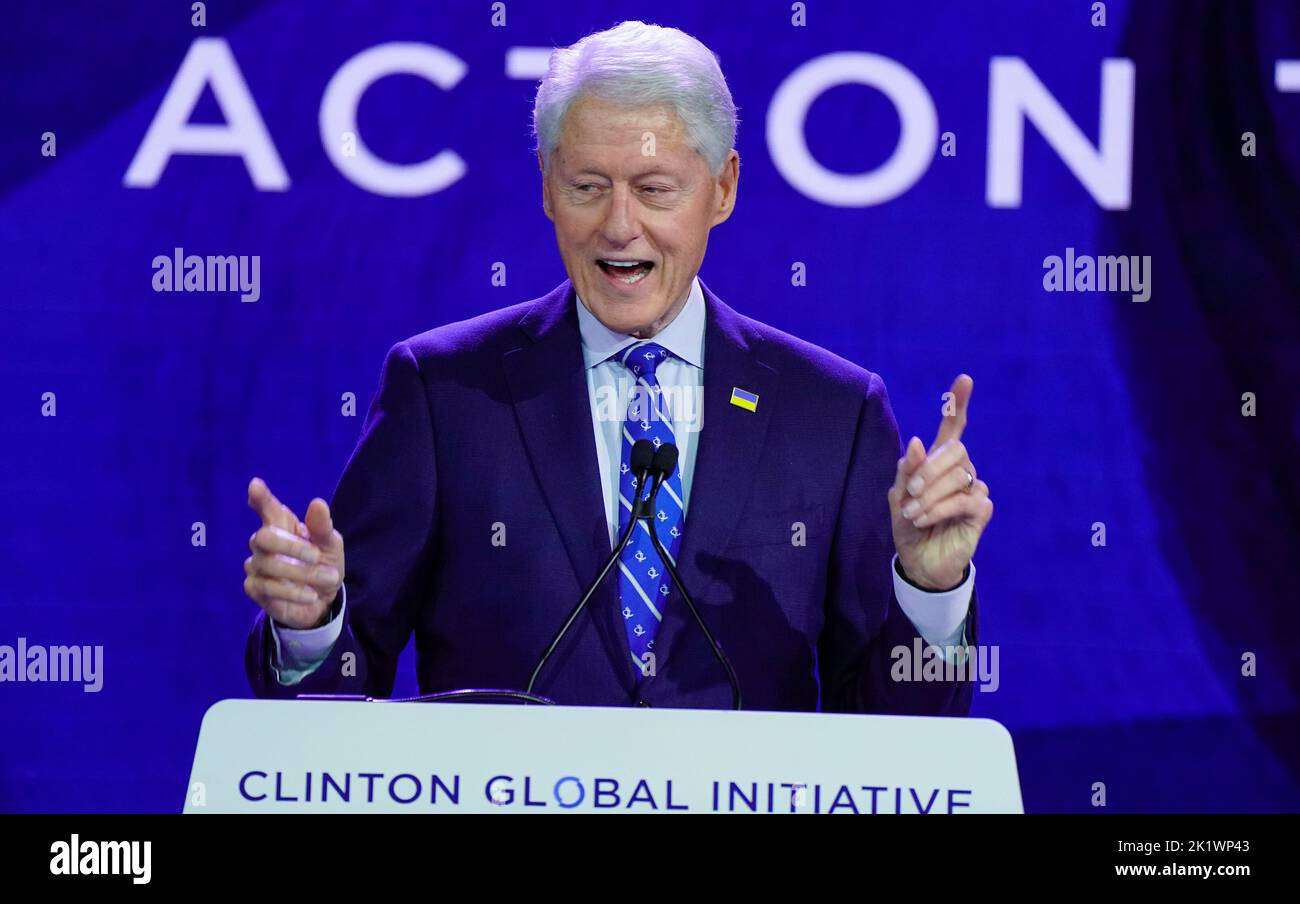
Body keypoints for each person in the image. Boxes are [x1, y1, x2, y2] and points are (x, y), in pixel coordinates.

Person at [242, 21, 993, 712]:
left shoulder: (834, 413)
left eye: (655, 190)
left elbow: (901, 741)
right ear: (546, 187)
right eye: (587, 187)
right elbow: (332, 709)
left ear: (723, 188)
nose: (619, 225)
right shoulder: (445, 392)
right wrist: (311, 630)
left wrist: (931, 592)